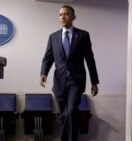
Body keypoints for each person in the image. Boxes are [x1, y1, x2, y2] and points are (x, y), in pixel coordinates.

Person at [40, 5, 99, 141]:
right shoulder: (53, 37)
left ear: (73, 17)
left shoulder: (83, 35)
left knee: (71, 111)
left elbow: (90, 59)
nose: (63, 17)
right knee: (62, 115)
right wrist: (44, 72)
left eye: (66, 14)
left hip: (76, 81)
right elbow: (48, 58)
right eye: (60, 15)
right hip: (59, 82)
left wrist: (94, 81)